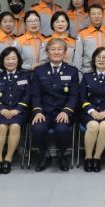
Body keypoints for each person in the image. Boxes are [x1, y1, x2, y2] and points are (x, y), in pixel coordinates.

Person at [30, 38, 80, 172]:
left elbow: (74, 95)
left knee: (62, 130)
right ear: (47, 52)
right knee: (37, 129)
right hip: (44, 112)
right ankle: (44, 155)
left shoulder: (72, 71)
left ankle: (62, 155)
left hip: (63, 112)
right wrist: (38, 111)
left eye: (59, 49)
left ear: (65, 52)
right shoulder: (39, 71)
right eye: (53, 49)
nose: (56, 52)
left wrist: (66, 111)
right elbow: (35, 94)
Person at [0, 47, 31, 174]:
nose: (11, 61)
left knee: (15, 126)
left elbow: (28, 95)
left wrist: (18, 109)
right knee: (2, 126)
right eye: (7, 59)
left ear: (18, 61)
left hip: (19, 112)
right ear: (3, 61)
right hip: (0, 112)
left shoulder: (25, 76)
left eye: (13, 58)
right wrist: (1, 109)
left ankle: (8, 158)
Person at [79, 47, 105, 172]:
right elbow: (82, 97)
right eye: (98, 57)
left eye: (104, 57)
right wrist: (91, 111)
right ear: (94, 60)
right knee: (93, 126)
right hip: (89, 111)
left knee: (104, 126)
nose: (101, 60)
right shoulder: (86, 77)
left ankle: (97, 158)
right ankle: (88, 157)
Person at [73, 4, 105, 73]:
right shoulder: (82, 33)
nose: (96, 16)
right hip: (88, 71)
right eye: (93, 14)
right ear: (89, 16)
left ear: (103, 15)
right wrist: (79, 73)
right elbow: (78, 56)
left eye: (99, 14)